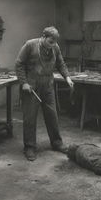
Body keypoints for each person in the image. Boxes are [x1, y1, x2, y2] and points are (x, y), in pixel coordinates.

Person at [15, 26, 74, 161]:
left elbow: (61, 63)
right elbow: (19, 64)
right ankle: (29, 147)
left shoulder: (55, 47)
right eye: (50, 41)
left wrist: (67, 77)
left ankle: (57, 143)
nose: (52, 45)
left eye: (54, 42)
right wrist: (23, 82)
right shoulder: (30, 45)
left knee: (52, 114)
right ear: (43, 37)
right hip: (31, 86)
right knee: (30, 117)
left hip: (47, 85)